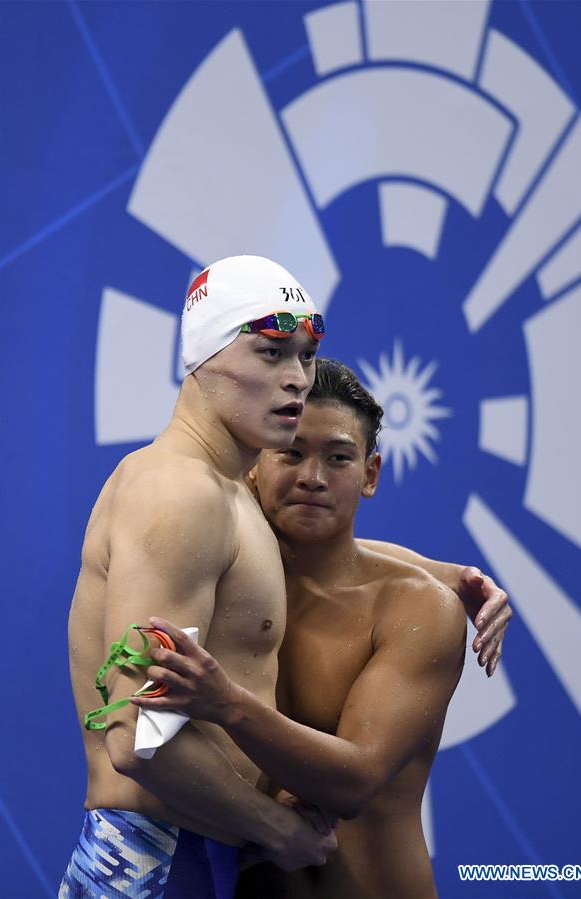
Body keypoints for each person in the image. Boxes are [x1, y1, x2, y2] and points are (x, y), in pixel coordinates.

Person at [131, 358, 512, 899]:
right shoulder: (224, 586)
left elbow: (353, 783)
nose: (312, 477)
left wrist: (226, 703)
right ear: (254, 465)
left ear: (370, 474)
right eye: (291, 452)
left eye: (338, 458)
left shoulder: (418, 608)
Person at [61, 256, 338, 899]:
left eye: (306, 356)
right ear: (204, 358)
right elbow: (139, 735)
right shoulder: (179, 494)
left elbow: (326, 551)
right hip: (155, 860)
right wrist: (278, 830)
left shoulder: (228, 491)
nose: (297, 379)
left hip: (197, 851)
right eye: (271, 352)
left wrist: (449, 576)